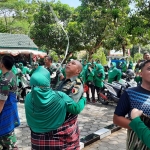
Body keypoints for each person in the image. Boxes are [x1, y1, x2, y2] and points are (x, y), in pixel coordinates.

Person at [25, 66, 86, 150]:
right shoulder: (60, 96)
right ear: (47, 81)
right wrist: (83, 99)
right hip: (59, 142)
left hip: (37, 142)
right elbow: (76, 109)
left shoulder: (28, 97)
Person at [113, 60, 150, 150]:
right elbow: (117, 118)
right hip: (137, 145)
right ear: (140, 74)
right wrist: (137, 126)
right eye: (149, 69)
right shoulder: (130, 93)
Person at [55, 60, 85, 149]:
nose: (69, 64)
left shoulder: (77, 84)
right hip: (55, 122)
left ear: (78, 71)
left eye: (73, 63)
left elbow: (71, 106)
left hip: (64, 124)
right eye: (69, 62)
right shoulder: (62, 81)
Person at [0, 55, 20, 150]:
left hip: (5, 110)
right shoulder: (11, 74)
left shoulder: (5, 80)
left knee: (7, 137)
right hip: (11, 108)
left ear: (2, 64)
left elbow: (1, 101)